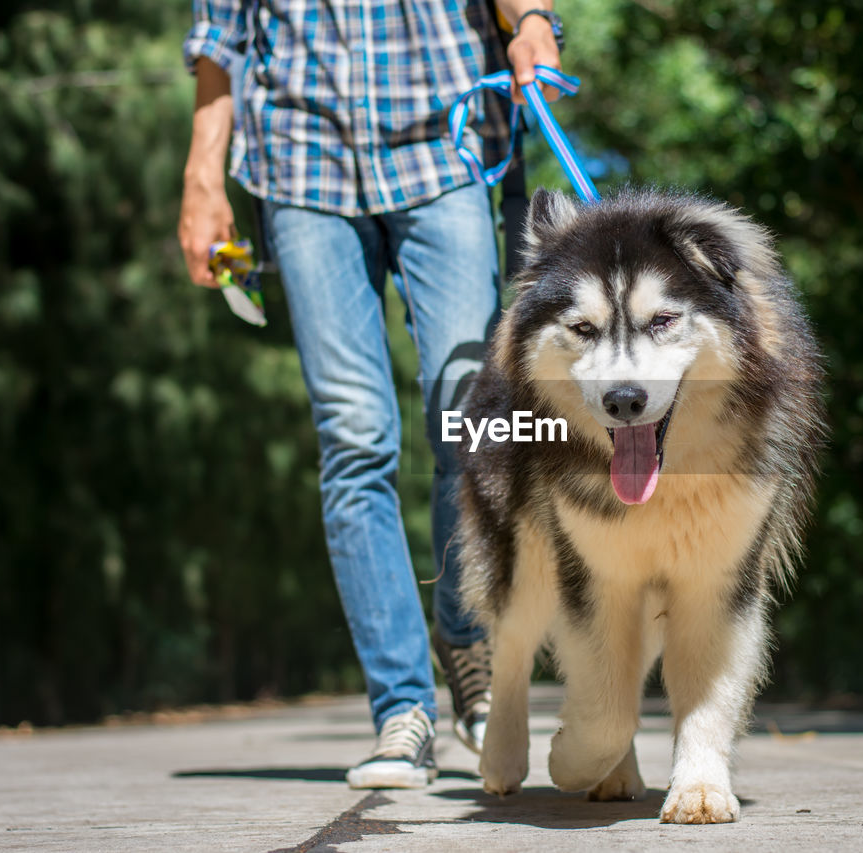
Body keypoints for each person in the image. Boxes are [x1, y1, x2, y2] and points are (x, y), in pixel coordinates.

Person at [177, 0, 563, 789]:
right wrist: (200, 174)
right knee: (355, 436)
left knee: (470, 417)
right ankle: (401, 707)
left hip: (444, 149)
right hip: (301, 164)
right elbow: (219, 31)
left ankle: (466, 640)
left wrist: (532, 19)